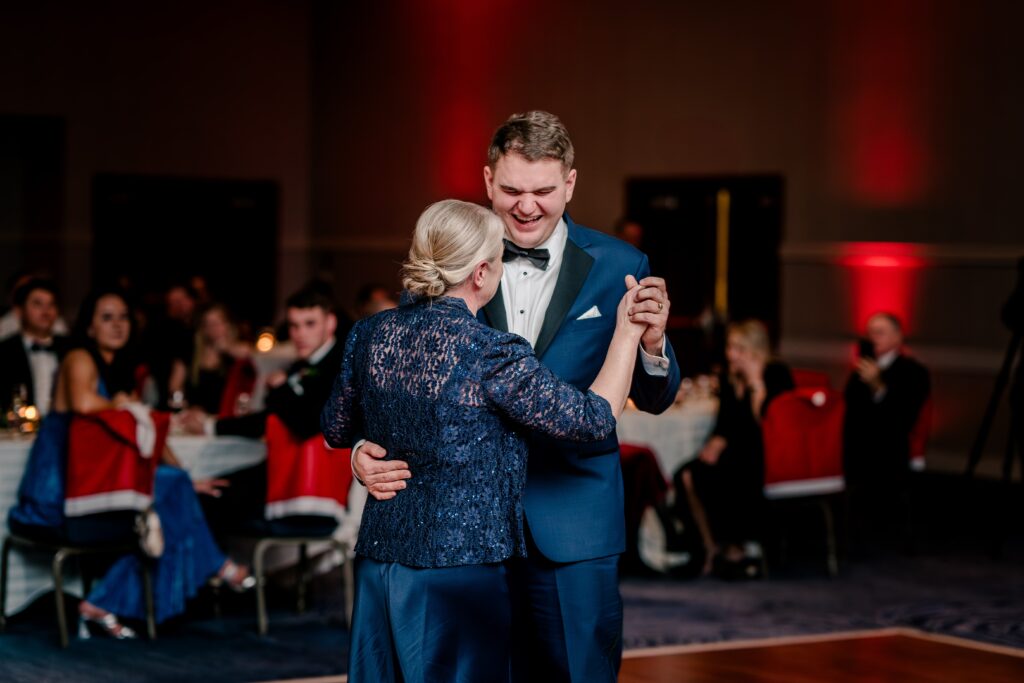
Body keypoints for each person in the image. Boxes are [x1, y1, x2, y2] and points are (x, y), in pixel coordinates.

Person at [354, 111, 681, 682]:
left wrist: (651, 343)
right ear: (486, 182)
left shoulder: (620, 266)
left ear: (570, 184)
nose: (527, 206)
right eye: (511, 190)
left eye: (543, 191)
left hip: (573, 518)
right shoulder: (446, 262)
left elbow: (656, 397)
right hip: (463, 532)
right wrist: (363, 448)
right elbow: (398, 376)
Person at [8, 287, 252, 639]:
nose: (117, 325)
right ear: (89, 327)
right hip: (60, 488)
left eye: (123, 317)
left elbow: (149, 432)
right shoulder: (80, 357)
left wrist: (183, 476)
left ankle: (101, 602)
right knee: (163, 509)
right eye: (107, 317)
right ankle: (214, 564)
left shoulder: (120, 370)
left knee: (168, 502)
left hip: (101, 486)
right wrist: (127, 405)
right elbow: (83, 402)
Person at [179, 285, 344, 535]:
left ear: (330, 323)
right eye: (294, 325)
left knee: (205, 498)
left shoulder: (339, 365)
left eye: (310, 324)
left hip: (310, 486)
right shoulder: (302, 363)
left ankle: (226, 571)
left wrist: (280, 390)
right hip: (282, 469)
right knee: (200, 491)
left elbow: (306, 423)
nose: (300, 334)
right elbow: (274, 413)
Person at [677, 319, 794, 577]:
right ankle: (708, 547)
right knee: (686, 473)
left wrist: (755, 383)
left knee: (731, 472)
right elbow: (725, 423)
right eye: (731, 348)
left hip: (765, 451)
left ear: (755, 349)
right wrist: (715, 441)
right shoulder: (729, 378)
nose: (732, 355)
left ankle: (739, 547)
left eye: (739, 349)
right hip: (735, 449)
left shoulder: (776, 373)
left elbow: (767, 422)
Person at [843, 312, 930, 551]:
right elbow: (849, 409)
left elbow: (902, 418)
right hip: (857, 442)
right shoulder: (859, 369)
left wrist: (878, 385)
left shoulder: (913, 372)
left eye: (880, 332)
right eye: (870, 333)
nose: (873, 338)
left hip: (891, 444)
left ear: (898, 337)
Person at [0, 277, 70, 418]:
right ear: (20, 311)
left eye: (51, 304)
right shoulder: (5, 351)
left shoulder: (71, 348)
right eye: (37, 304)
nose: (46, 311)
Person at [168, 302, 250, 414]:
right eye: (209, 324)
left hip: (225, 418)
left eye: (218, 323)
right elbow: (175, 387)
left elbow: (252, 356)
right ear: (203, 328)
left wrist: (227, 348)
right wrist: (186, 408)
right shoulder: (189, 352)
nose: (213, 329)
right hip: (192, 416)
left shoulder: (234, 353)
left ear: (228, 325)